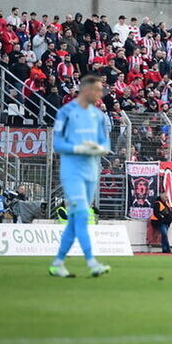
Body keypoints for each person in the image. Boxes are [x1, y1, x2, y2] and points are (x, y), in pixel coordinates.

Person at [48, 74, 111, 278]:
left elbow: (105, 145)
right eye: (98, 90)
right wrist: (79, 148)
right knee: (83, 215)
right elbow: (57, 144)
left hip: (91, 172)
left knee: (76, 220)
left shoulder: (98, 115)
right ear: (86, 90)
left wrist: (96, 148)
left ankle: (57, 263)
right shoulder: (66, 112)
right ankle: (92, 263)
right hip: (72, 172)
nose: (101, 94)